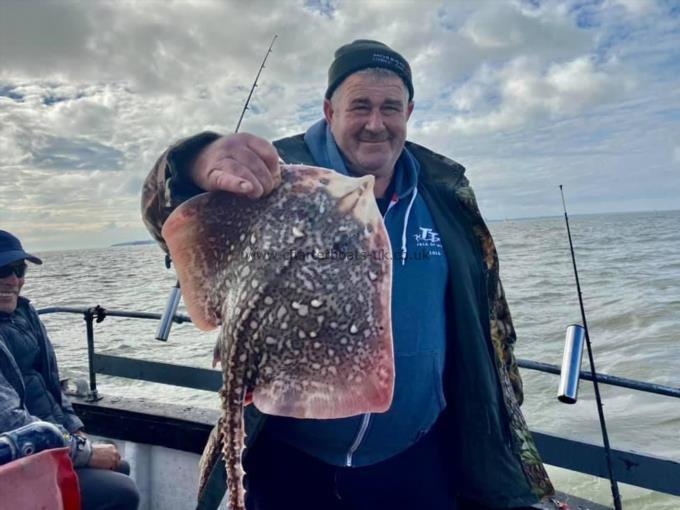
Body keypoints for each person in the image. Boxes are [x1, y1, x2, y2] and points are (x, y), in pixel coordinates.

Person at [142, 40, 554, 510]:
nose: (375, 123)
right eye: (359, 105)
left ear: (410, 111)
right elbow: (167, 219)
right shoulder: (275, 179)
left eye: (390, 108)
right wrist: (195, 162)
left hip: (417, 457)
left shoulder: (444, 195)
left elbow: (488, 318)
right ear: (329, 109)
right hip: (291, 454)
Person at [0, 230, 140, 510]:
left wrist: (75, 431)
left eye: (19, 269)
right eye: (3, 269)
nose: (13, 280)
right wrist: (84, 453)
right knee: (121, 492)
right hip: (15, 462)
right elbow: (12, 422)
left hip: (47, 447)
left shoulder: (25, 315)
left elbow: (52, 383)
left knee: (119, 467)